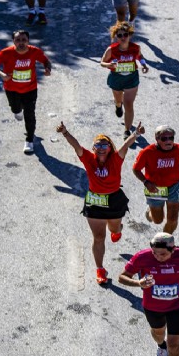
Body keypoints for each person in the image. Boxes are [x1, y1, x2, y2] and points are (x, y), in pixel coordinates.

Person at [56, 120, 145, 285]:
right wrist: (65, 132)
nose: (102, 147)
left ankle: (117, 230)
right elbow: (76, 146)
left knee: (114, 228)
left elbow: (125, 146)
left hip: (114, 200)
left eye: (105, 145)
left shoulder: (116, 159)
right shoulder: (88, 159)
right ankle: (100, 269)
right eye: (98, 145)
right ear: (93, 148)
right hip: (95, 202)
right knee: (98, 237)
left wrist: (136, 134)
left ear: (110, 148)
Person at [0, 30, 52, 154]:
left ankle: (29, 140)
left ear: (28, 41)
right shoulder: (6, 53)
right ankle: (17, 111)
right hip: (11, 89)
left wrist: (47, 68)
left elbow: (46, 61)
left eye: (24, 40)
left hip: (30, 89)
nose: (21, 43)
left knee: (30, 114)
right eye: (18, 40)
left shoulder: (35, 51)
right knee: (16, 109)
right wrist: (2, 74)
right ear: (14, 41)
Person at [132, 125, 179, 234]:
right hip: (155, 188)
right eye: (164, 139)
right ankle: (150, 211)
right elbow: (136, 169)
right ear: (157, 139)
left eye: (171, 138)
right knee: (158, 220)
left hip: (175, 186)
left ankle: (165, 242)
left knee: (172, 219)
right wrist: (146, 182)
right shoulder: (147, 152)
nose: (168, 141)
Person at [100, 21, 149, 140]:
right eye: (119, 35)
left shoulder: (135, 48)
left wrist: (143, 65)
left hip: (131, 78)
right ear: (116, 36)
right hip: (116, 78)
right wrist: (109, 64)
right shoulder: (112, 49)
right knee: (118, 101)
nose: (122, 37)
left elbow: (140, 57)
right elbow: (102, 63)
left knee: (129, 104)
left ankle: (127, 130)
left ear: (129, 35)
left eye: (125, 34)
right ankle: (118, 106)